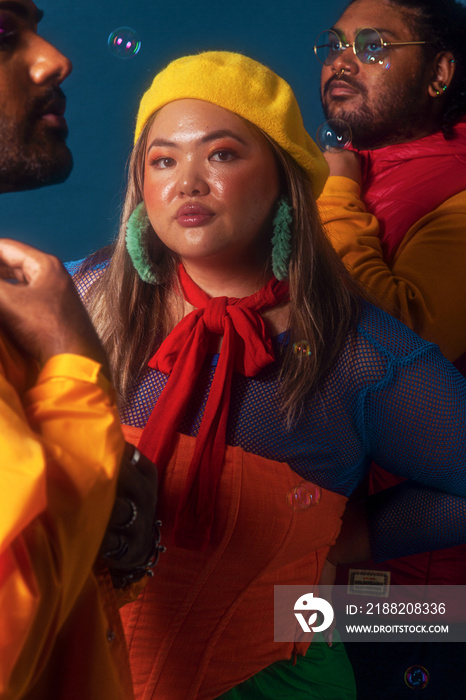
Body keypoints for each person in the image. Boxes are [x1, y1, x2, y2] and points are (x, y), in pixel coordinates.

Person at [68, 51, 466, 700]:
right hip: (82, 676)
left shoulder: (359, 353)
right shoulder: (86, 296)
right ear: (141, 184)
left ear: (283, 177)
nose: (186, 182)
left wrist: (347, 542)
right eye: (163, 160)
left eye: (221, 155)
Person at [0, 1, 158, 697]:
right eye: (3, 33)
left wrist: (107, 534)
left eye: (224, 153)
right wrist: (74, 366)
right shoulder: (73, 303)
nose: (55, 58)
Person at [314, 0, 466, 695]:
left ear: (439, 72)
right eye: (336, 43)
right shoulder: (348, 170)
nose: (341, 60)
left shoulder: (457, 183)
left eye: (374, 46)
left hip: (424, 591)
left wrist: (338, 196)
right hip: (320, 558)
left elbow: (409, 344)